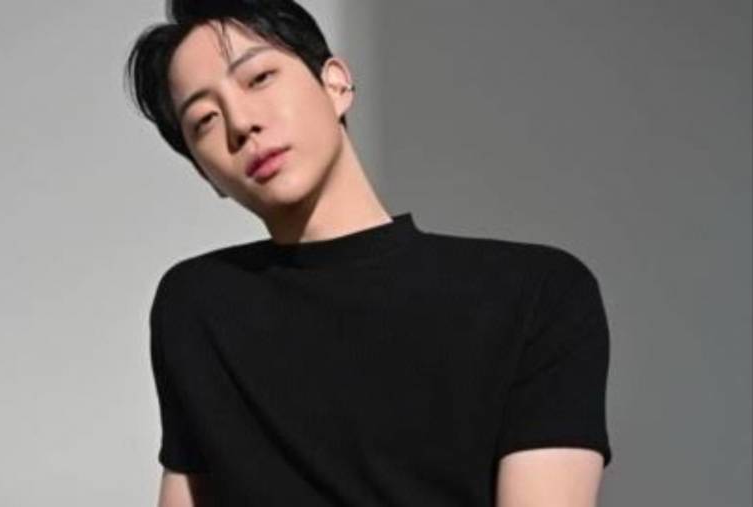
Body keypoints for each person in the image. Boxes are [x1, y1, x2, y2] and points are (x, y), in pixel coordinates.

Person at [124, 1, 613, 505]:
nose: (241, 123)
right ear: (205, 174)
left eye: (260, 78)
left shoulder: (535, 293)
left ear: (336, 84)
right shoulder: (199, 307)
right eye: (204, 119)